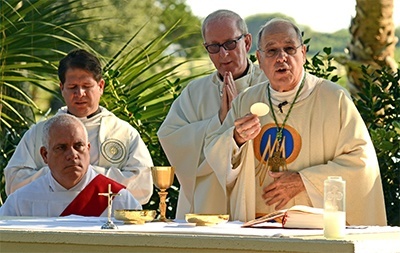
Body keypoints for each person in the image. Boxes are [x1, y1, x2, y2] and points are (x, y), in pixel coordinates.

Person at [204, 18, 386, 225]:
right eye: (272, 51)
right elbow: (213, 154)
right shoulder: (246, 101)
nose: (282, 57)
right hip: (255, 225)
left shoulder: (334, 99)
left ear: (303, 54)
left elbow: (362, 162)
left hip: (313, 228)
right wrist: (235, 139)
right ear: (260, 60)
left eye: (289, 48)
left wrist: (305, 180)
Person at [4, 49, 154, 205]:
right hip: (48, 218)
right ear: (62, 87)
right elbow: (14, 184)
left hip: (105, 219)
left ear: (101, 86)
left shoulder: (123, 133)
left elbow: (143, 188)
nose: (80, 93)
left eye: (86, 86)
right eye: (72, 87)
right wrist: (61, 174)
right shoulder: (39, 133)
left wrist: (86, 174)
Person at [157, 9, 268, 219]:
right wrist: (218, 121)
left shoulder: (268, 85)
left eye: (230, 44)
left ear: (246, 42)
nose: (223, 54)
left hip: (256, 197)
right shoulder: (194, 92)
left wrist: (235, 126)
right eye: (214, 47)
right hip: (207, 203)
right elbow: (170, 137)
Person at [0, 114, 141, 217]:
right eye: (61, 147)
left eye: (79, 146)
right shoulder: (20, 202)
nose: (72, 154)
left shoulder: (119, 199)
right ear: (45, 155)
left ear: (88, 149)